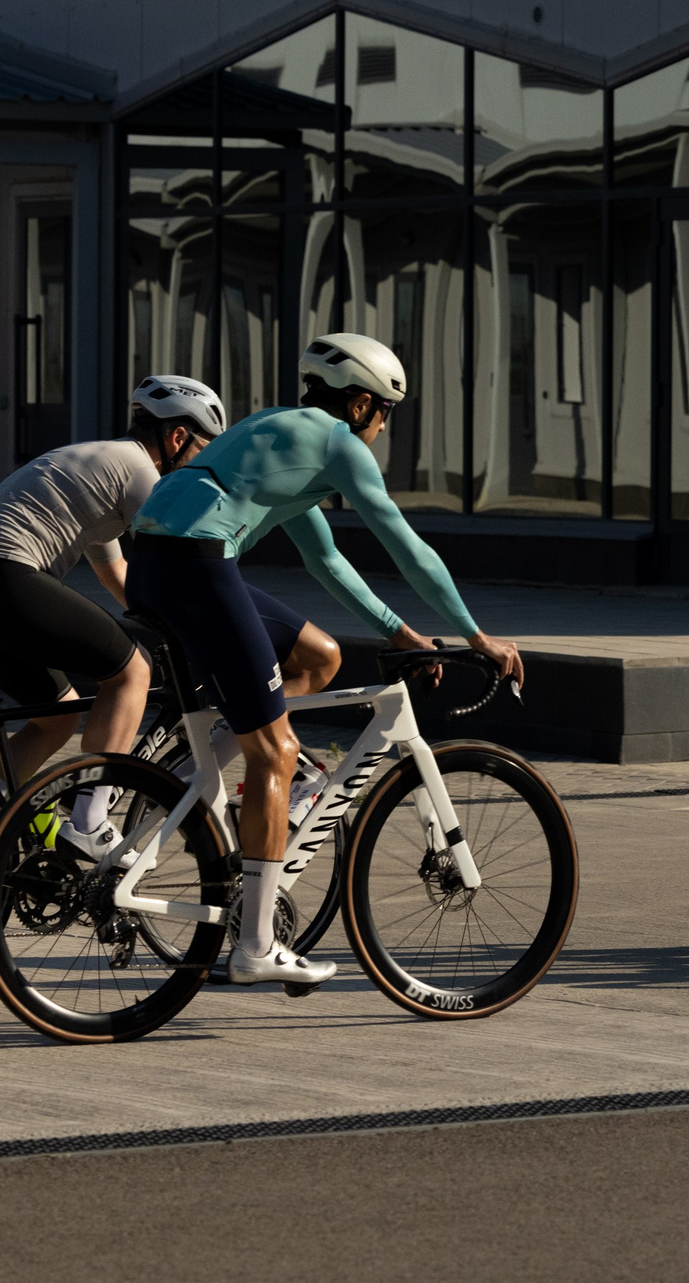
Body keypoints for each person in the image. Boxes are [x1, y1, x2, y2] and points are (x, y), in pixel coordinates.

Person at [128, 333, 525, 988]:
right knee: (276, 751)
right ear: (363, 403)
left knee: (319, 654)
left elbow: (326, 561)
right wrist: (477, 637)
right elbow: (407, 547)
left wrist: (400, 632)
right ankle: (255, 944)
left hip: (159, 564)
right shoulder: (339, 443)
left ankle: (207, 784)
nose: (382, 427)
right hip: (194, 566)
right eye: (385, 414)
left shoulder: (278, 432)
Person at [0, 377, 345, 873]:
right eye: (203, 450)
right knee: (130, 674)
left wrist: (177, 633)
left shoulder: (96, 464)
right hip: (3, 575)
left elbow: (121, 577)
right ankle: (89, 824)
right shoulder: (145, 475)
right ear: (176, 438)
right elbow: (178, 570)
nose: (202, 465)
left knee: (54, 717)